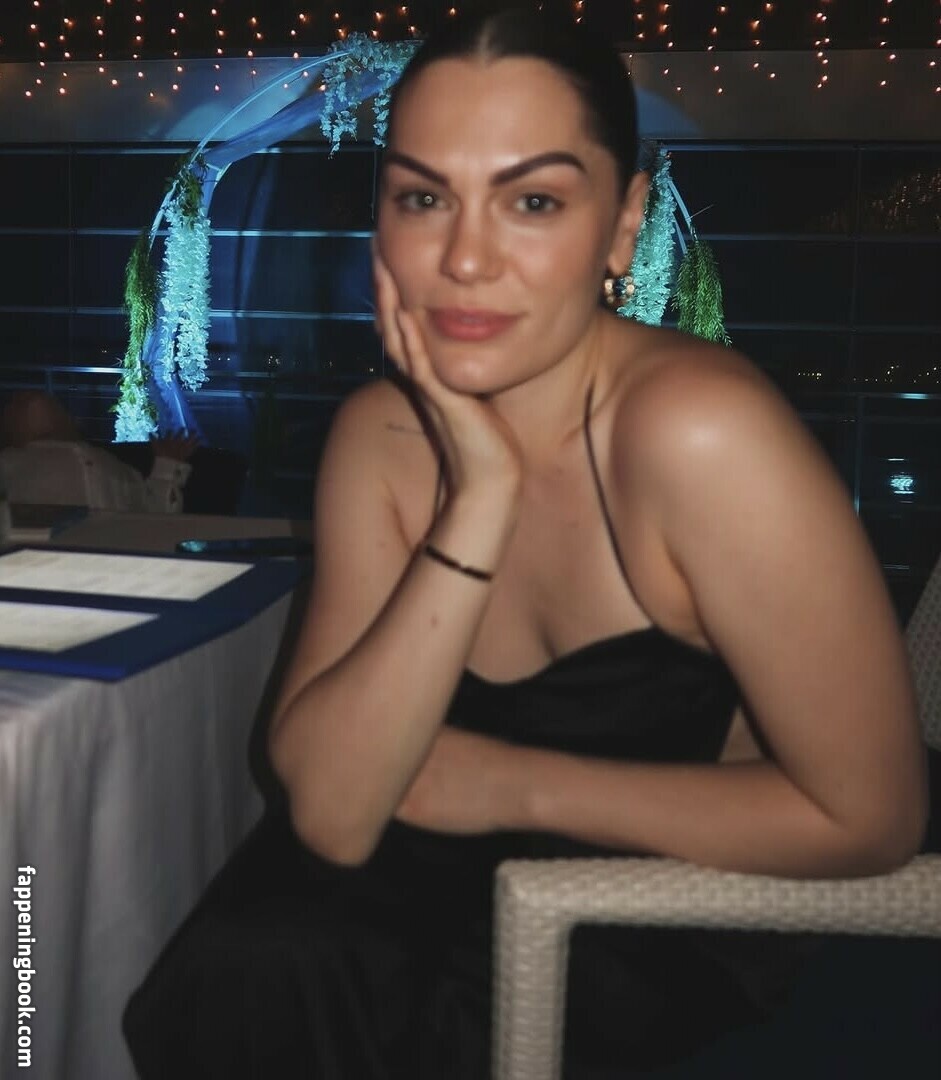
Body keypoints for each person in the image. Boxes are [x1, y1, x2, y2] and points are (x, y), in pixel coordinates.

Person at [122, 6, 929, 1077]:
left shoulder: (701, 434)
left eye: (532, 200)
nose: (463, 258)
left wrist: (509, 784)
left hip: (660, 903)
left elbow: (871, 818)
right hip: (416, 886)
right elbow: (333, 816)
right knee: (257, 958)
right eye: (422, 197)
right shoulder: (381, 436)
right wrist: (479, 497)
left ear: (622, 226)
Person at [0, 389, 196, 513]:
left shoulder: (111, 467)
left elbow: (156, 517)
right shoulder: (8, 463)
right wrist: (167, 466)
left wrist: (167, 465)